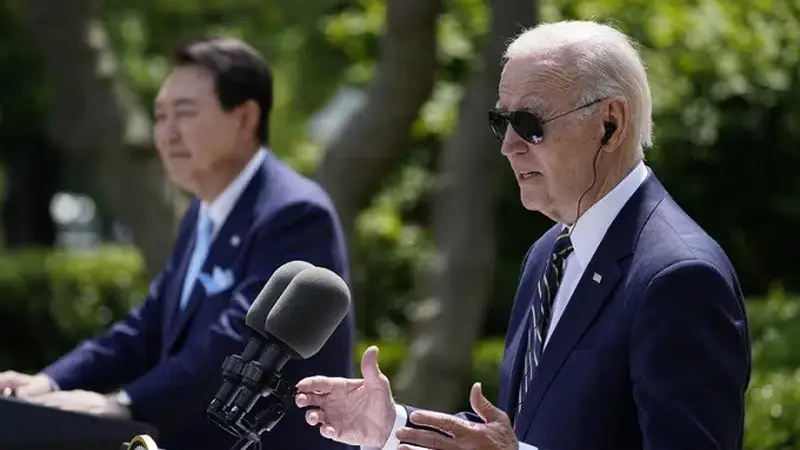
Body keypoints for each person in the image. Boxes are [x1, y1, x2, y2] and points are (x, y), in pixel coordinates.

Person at [293, 20, 751, 450]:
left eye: (530, 124)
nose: (509, 145)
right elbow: (521, 432)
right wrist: (393, 425)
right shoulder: (548, 252)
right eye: (501, 122)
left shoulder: (680, 276)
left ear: (610, 124)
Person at [0, 36, 356, 450]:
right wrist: (50, 382)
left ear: (244, 118)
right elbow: (147, 325)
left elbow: (235, 344)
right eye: (159, 117)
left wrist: (124, 403)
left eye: (183, 114)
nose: (166, 134)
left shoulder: (294, 212)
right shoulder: (202, 213)